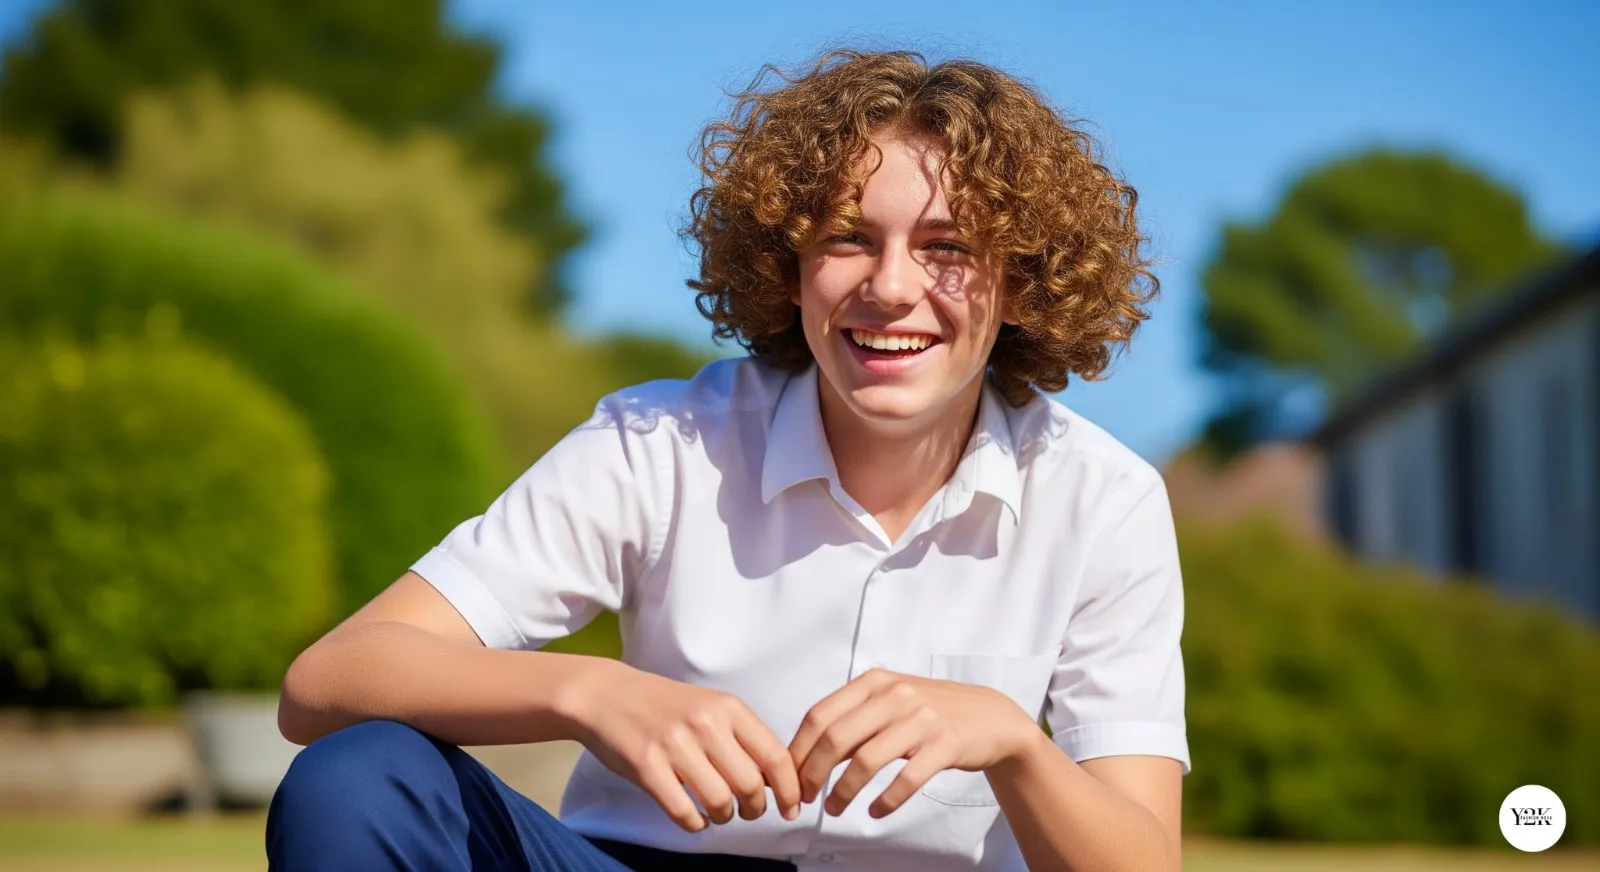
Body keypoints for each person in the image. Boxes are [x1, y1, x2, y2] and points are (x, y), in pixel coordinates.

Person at [267, 48, 1189, 872]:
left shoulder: (1104, 501)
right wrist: (589, 690)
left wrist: (1011, 743)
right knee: (359, 778)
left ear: (1021, 279)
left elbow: (1141, 861)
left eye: (947, 246)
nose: (893, 286)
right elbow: (329, 681)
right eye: (846, 238)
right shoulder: (658, 443)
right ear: (789, 271)